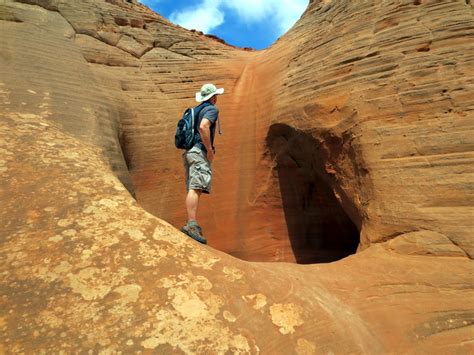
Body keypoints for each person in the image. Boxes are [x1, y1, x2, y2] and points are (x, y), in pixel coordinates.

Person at [181, 83, 224, 244]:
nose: (217, 98)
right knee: (196, 188)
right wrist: (209, 149)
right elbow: (203, 126)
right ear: (213, 97)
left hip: (189, 153)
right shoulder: (212, 110)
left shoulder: (196, 109)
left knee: (193, 188)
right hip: (199, 152)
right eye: (216, 96)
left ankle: (192, 222)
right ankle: (191, 224)